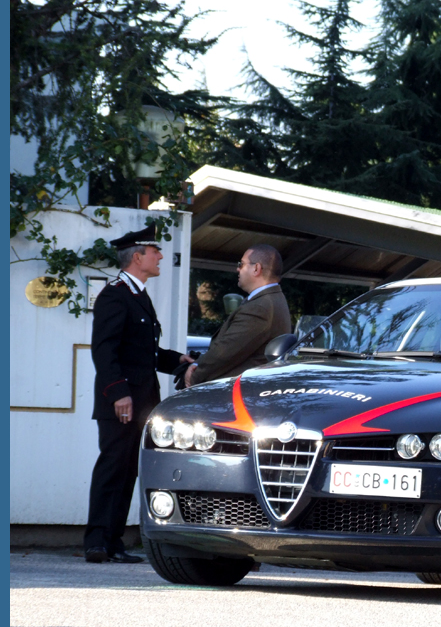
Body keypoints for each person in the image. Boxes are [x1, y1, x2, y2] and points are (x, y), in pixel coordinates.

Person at [86, 226, 191, 563]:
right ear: (137, 256)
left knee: (130, 468)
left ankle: (114, 542)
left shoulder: (138, 294)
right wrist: (118, 393)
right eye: (154, 250)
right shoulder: (115, 294)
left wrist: (178, 361)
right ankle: (96, 541)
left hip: (142, 401)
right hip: (121, 402)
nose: (160, 256)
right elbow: (105, 351)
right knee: (112, 466)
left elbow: (143, 352)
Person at [184, 244, 291, 386]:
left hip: (237, 394)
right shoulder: (270, 300)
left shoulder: (260, 307)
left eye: (241, 264)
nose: (237, 269)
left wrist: (195, 374)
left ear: (256, 269)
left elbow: (226, 352)